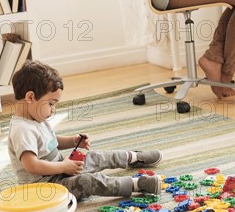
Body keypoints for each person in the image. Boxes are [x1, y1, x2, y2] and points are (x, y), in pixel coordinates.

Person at [8, 60, 162, 200]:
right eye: (51, 103)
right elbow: (32, 165)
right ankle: (136, 184)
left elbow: (50, 141)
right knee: (89, 181)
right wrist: (63, 167)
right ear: (30, 97)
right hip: (45, 189)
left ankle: (133, 157)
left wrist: (72, 141)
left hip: (60, 170)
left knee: (94, 157)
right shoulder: (22, 130)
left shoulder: (36, 118)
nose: (53, 109)